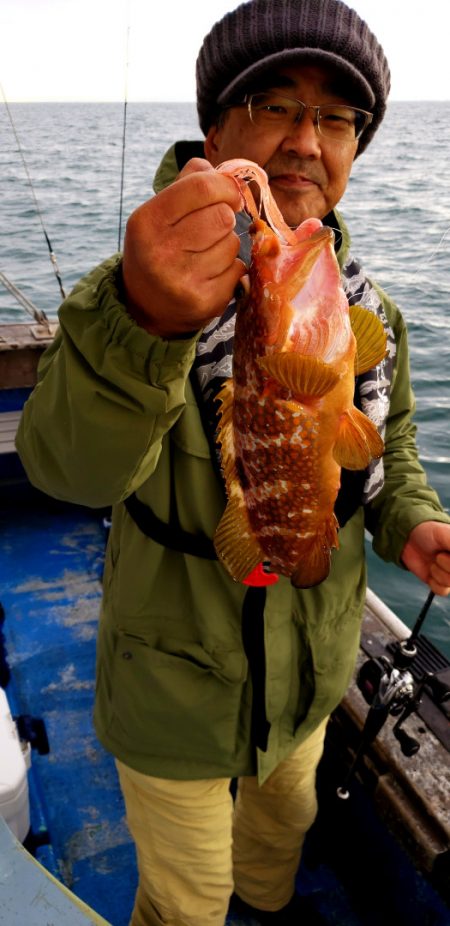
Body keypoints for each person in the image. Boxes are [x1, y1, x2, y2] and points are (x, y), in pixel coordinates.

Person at [16, 1, 450, 924]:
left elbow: (392, 446)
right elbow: (67, 473)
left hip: (310, 678)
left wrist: (413, 522)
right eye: (273, 104)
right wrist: (146, 321)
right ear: (215, 133)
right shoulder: (130, 302)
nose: (306, 140)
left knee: (280, 834)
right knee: (187, 898)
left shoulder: (368, 313)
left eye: (336, 117)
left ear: (356, 146)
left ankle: (269, 902)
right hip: (172, 692)